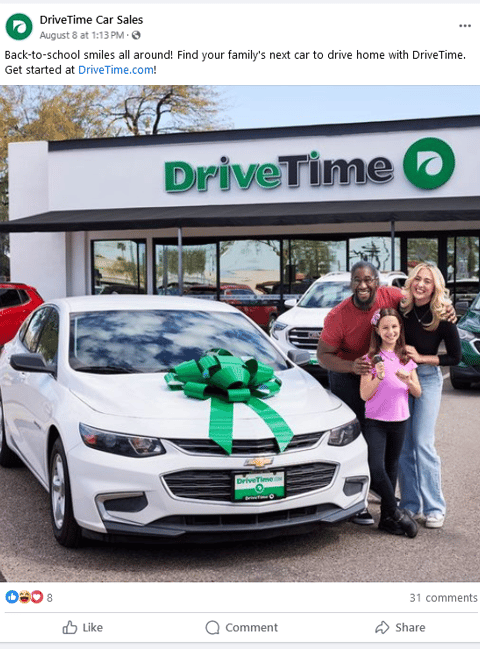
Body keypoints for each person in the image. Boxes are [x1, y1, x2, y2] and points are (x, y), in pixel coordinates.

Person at [316, 261, 455, 525]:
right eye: (357, 280)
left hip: (381, 371)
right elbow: (322, 355)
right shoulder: (338, 316)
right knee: (356, 439)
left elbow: (420, 296)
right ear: (351, 284)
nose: (363, 285)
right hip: (348, 373)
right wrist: (351, 366)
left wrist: (446, 307)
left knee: (391, 444)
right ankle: (358, 503)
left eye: (368, 279)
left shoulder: (390, 296)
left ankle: (389, 506)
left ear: (377, 282)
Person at [398, 263, 461, 529]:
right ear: (411, 281)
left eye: (427, 281)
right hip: (401, 377)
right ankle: (410, 504)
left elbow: (456, 357)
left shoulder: (442, 315)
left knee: (423, 443)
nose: (421, 285)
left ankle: (435, 507)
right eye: (418, 279)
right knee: (404, 446)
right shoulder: (401, 309)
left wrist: (422, 358)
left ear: (435, 287)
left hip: (427, 378)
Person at [360, 308, 421, 537]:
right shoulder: (370, 359)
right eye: (385, 327)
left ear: (399, 329)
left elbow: (418, 392)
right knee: (376, 467)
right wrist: (379, 377)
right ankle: (395, 511)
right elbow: (364, 395)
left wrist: (408, 381)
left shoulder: (406, 357)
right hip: (375, 421)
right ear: (377, 330)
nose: (390, 331)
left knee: (392, 466)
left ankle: (387, 519)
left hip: (399, 419)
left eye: (394, 327)